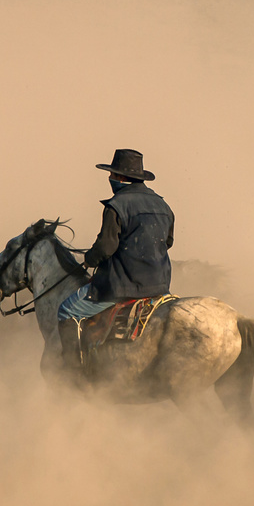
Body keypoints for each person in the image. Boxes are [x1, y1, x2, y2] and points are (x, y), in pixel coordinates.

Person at [57, 149, 174, 375]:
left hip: (122, 286)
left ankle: (73, 375)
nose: (109, 179)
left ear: (119, 177)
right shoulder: (163, 206)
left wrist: (90, 259)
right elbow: (167, 242)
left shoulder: (116, 205)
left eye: (111, 174)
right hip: (160, 286)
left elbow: (106, 247)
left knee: (67, 311)